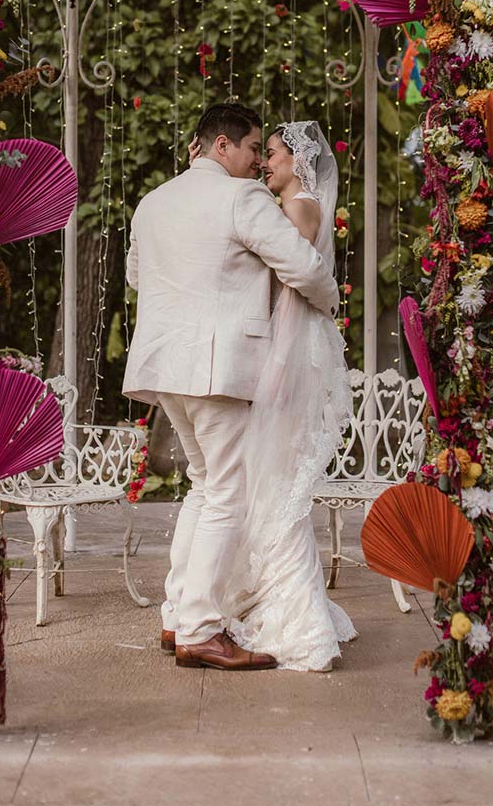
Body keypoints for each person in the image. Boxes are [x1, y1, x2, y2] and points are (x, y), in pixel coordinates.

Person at [123, 103, 340, 671]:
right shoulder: (242, 198)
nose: (255, 162)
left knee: (204, 487)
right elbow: (302, 266)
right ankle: (198, 629)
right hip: (217, 369)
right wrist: (330, 301)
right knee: (227, 494)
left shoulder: (152, 201)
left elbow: (136, 277)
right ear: (222, 145)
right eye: (250, 149)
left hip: (165, 367)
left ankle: (176, 615)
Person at [225, 121, 356, 671]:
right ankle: (281, 600)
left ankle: (298, 622)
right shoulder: (298, 204)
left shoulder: (299, 208)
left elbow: (296, 282)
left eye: (273, 154)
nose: (266, 163)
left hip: (291, 350)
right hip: (290, 346)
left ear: (298, 162)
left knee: (276, 482)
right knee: (271, 479)